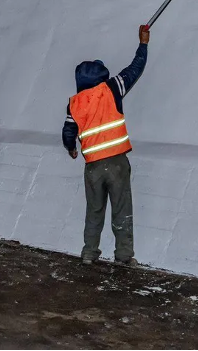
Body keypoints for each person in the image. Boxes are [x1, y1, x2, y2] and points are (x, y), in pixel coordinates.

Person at [62, 25, 150, 266]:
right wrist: (143, 43)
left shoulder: (75, 104)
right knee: (121, 209)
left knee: (94, 211)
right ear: (101, 76)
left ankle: (89, 253)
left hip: (92, 168)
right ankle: (123, 256)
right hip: (117, 163)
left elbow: (68, 131)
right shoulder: (111, 89)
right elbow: (135, 69)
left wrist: (71, 148)